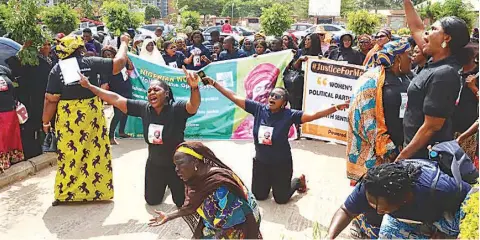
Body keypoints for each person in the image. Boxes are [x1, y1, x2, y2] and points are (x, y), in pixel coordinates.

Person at [202, 76, 349, 204]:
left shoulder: (290, 115)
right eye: (271, 95)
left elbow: (313, 115)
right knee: (259, 196)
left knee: (281, 199)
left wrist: (335, 107)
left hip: (281, 164)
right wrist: (214, 83)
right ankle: (271, 183)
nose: (272, 98)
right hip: (261, 163)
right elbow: (234, 97)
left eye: (277, 97)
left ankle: (298, 181)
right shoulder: (259, 109)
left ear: (284, 103)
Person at [78, 66, 200, 207]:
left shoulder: (176, 108)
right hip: (155, 164)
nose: (151, 92)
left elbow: (193, 106)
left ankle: (181, 184)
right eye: (149, 91)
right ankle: (165, 186)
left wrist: (194, 88)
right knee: (152, 201)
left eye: (156, 90)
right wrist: (90, 86)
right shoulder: (144, 108)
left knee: (182, 203)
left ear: (166, 93)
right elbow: (116, 99)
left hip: (178, 165)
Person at [42, 34, 130, 204]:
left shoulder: (57, 69)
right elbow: (118, 64)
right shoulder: (91, 62)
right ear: (80, 48)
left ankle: (66, 193)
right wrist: (124, 43)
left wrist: (46, 121)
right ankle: (99, 192)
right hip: (91, 115)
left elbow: (50, 99)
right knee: (95, 151)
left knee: (70, 153)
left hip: (69, 118)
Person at [397, 0, 471, 160]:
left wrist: (401, 159)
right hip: (414, 152)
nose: (426, 33)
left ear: (446, 38)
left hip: (425, 159)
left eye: (433, 29)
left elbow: (431, 127)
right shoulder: (435, 60)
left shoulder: (444, 74)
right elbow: (416, 27)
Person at [327, 160, 472, 239]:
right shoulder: (371, 186)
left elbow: (472, 200)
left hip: (448, 214)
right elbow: (346, 210)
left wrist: (448, 237)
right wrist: (330, 237)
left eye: (383, 209)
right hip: (415, 218)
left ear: (402, 198)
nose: (377, 212)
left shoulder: (440, 188)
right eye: (372, 204)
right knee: (387, 235)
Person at [148, 142, 262, 239]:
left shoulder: (220, 187)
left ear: (195, 163)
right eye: (175, 165)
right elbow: (193, 205)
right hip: (219, 223)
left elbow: (232, 219)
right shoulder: (196, 179)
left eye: (180, 164)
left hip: (239, 226)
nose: (176, 170)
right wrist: (169, 216)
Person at [347, 40, 412, 185]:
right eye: (409, 55)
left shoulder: (408, 77)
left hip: (403, 145)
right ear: (398, 58)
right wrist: (389, 147)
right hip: (379, 150)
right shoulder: (371, 81)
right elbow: (365, 118)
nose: (412, 58)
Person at [16, 41, 53, 159]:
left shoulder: (52, 60)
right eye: (44, 44)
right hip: (37, 98)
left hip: (51, 97)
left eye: (48, 44)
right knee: (38, 124)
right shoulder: (33, 62)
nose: (46, 47)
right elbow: (17, 65)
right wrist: (24, 48)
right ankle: (39, 149)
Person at [99, 46, 133, 145]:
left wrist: (126, 57)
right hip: (117, 93)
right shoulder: (105, 67)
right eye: (105, 56)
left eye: (109, 55)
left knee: (127, 111)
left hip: (127, 89)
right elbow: (104, 84)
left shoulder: (121, 62)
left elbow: (130, 68)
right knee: (118, 114)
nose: (108, 57)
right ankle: (110, 136)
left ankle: (122, 132)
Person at [0, 66, 24, 172]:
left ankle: (10, 159)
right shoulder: (4, 70)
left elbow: (15, 84)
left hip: (10, 111)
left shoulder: (4, 70)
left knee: (9, 136)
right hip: (5, 111)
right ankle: (5, 161)